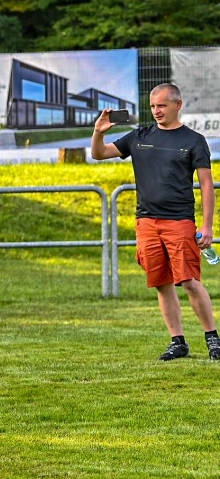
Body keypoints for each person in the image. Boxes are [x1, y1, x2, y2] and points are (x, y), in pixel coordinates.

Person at [91, 82, 219, 360]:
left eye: (162, 105)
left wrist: (207, 225)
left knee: (188, 281)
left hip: (179, 221)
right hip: (146, 222)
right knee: (161, 282)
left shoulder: (194, 140)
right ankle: (178, 342)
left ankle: (212, 339)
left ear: (178, 105)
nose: (157, 111)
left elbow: (207, 185)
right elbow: (98, 154)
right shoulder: (138, 136)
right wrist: (98, 133)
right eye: (152, 106)